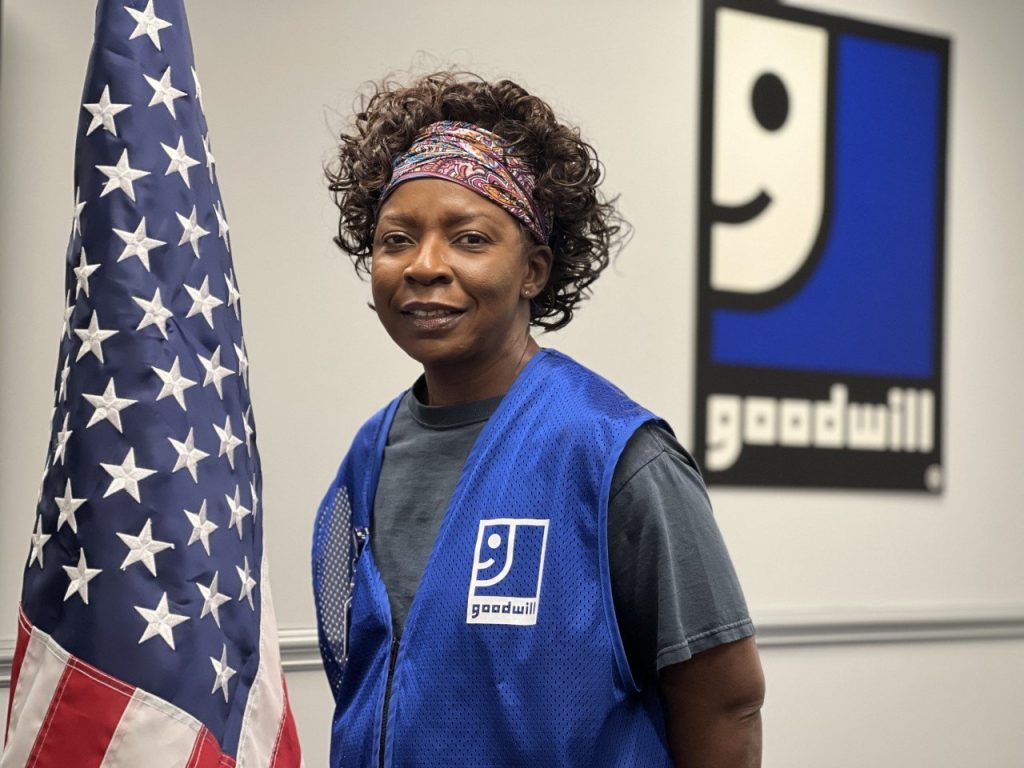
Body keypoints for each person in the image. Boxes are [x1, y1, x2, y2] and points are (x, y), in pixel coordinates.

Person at [312, 71, 765, 767]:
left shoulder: (614, 453)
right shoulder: (368, 455)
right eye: (397, 239)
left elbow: (724, 700)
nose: (425, 266)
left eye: (468, 239)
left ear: (534, 270)